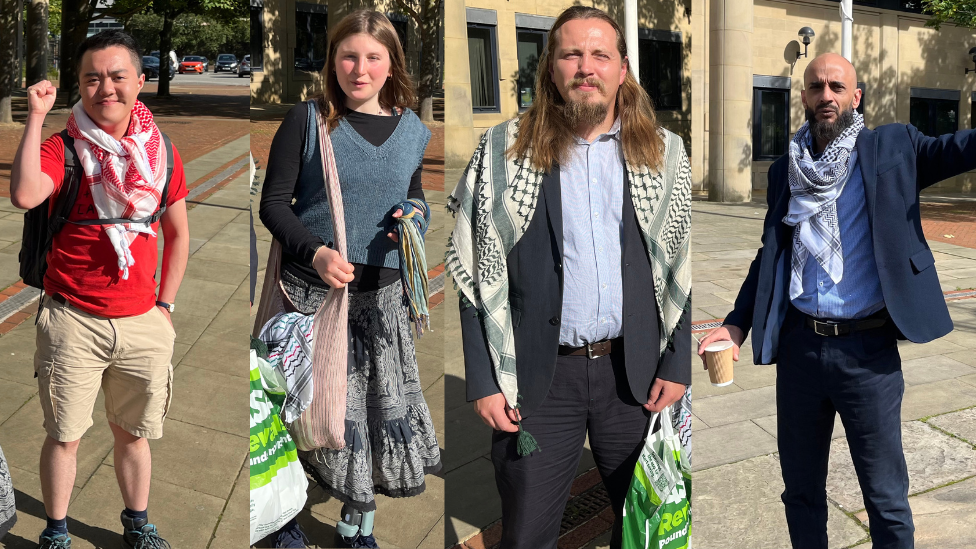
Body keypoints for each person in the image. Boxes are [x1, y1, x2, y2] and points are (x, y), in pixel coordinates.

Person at [697, 53, 976, 549]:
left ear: (856, 96)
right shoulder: (788, 169)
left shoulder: (893, 147)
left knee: (885, 498)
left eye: (837, 86)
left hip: (867, 354)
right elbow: (772, 256)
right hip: (801, 351)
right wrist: (735, 324)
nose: (826, 95)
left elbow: (963, 147)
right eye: (816, 86)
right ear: (803, 96)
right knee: (801, 493)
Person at [445, 6, 692, 548]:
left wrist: (677, 365)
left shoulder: (663, 153)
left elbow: (678, 265)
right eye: (571, 54)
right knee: (527, 536)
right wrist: (484, 381)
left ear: (622, 69)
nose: (587, 67)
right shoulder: (502, 152)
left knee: (651, 531)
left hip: (635, 377)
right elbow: (474, 271)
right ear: (550, 68)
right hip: (538, 381)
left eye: (600, 54)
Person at [257, 10, 441, 549]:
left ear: (391, 64)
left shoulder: (412, 130)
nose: (359, 69)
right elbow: (273, 205)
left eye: (373, 57)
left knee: (372, 415)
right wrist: (314, 252)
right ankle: (283, 519)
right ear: (333, 60)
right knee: (305, 412)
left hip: (382, 302)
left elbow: (417, 199)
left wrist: (416, 217)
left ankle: (357, 523)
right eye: (348, 56)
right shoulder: (307, 121)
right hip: (313, 297)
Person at [10, 30, 189, 549]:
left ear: (139, 81)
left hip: (143, 323)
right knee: (65, 436)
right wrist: (37, 116)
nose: (104, 87)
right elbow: (24, 194)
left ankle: (138, 523)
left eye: (116, 76)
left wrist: (166, 306)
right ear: (81, 87)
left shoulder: (162, 154)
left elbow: (177, 233)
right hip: (73, 320)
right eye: (92, 78)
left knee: (135, 435)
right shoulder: (62, 149)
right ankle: (57, 531)